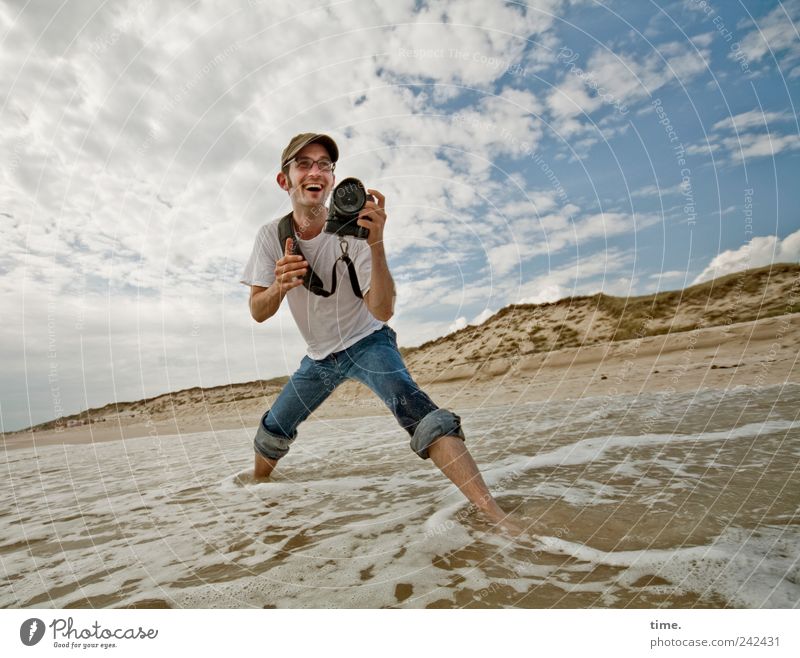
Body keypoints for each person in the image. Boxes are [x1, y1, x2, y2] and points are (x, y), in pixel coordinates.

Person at [241, 133, 518, 530]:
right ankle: (256, 496)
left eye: (324, 164)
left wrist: (377, 243)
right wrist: (279, 287)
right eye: (303, 163)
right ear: (285, 181)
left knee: (420, 412)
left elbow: (383, 309)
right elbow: (257, 311)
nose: (315, 170)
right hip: (318, 356)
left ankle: (496, 516)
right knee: (273, 429)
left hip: (367, 340)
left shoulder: (355, 232)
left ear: (332, 180)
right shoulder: (271, 236)